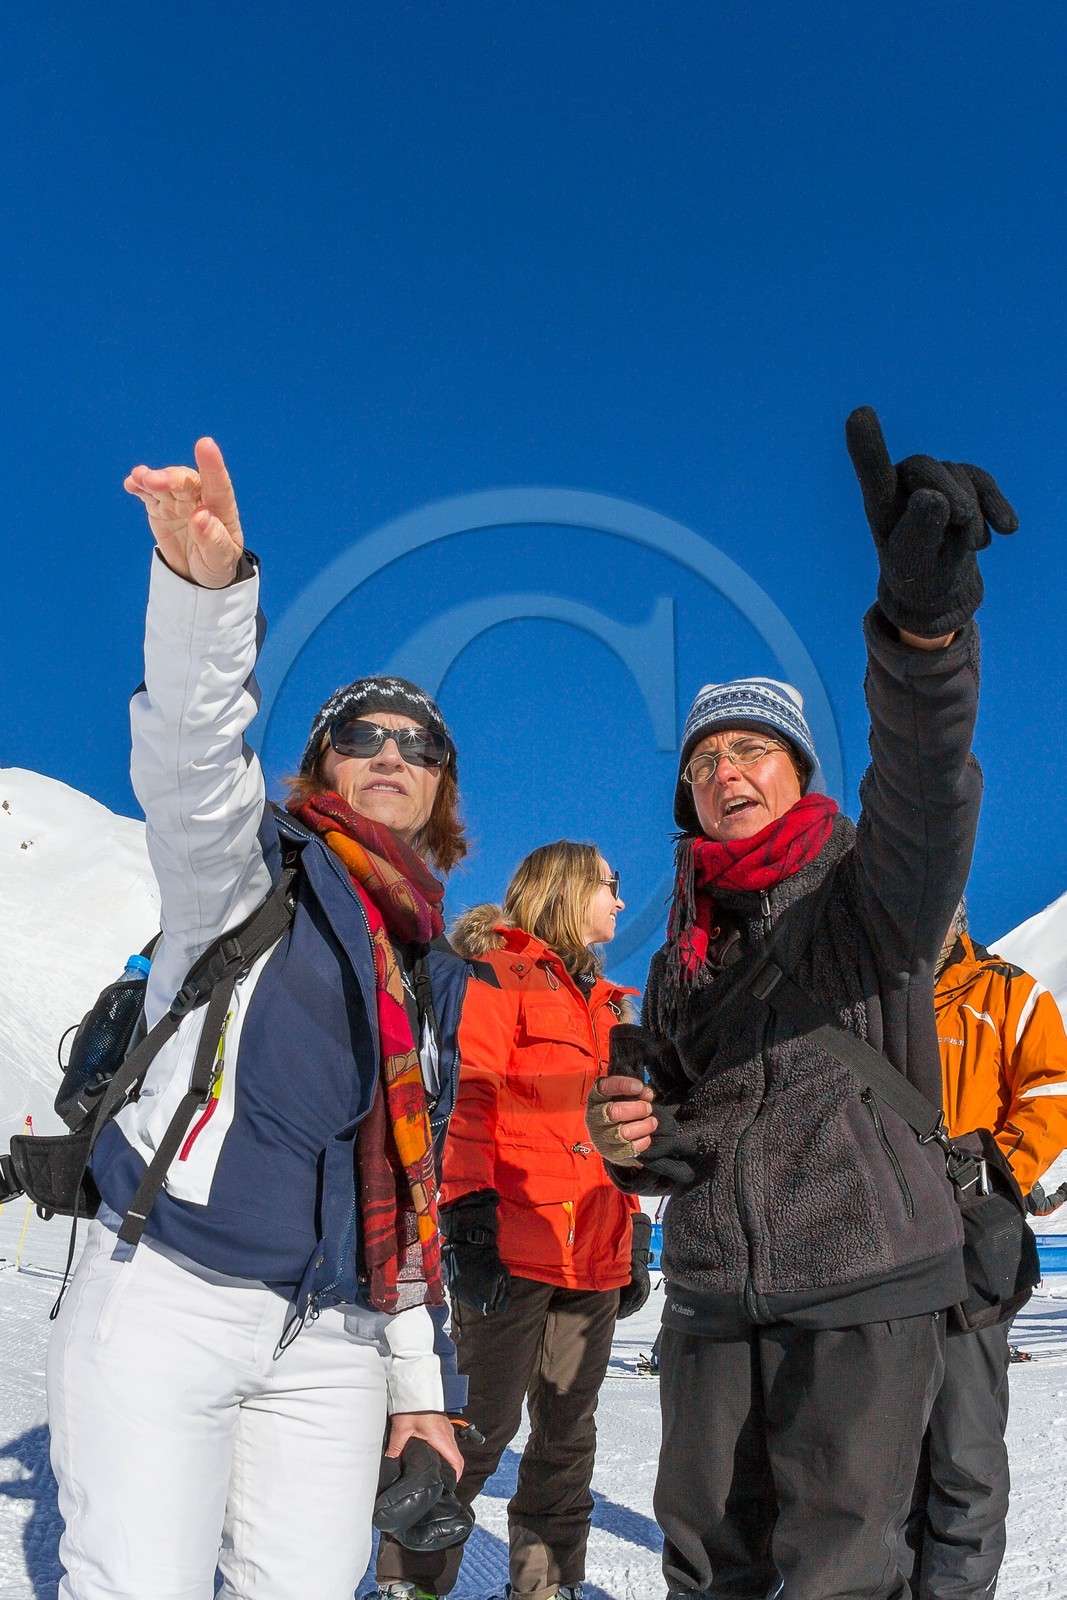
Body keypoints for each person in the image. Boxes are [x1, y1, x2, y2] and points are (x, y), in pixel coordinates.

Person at [584, 407, 1020, 1600]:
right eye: (703, 759)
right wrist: (629, 1135)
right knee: (704, 1563)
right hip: (715, 1295)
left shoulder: (868, 898)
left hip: (867, 1284)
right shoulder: (679, 954)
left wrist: (923, 639)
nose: (724, 770)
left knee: (839, 1569)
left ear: (796, 776)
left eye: (751, 752)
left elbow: (926, 785)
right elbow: (668, 1124)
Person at [46, 439, 470, 1600]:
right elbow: (188, 759)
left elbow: (415, 1185)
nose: (389, 751)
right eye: (361, 734)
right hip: (169, 1292)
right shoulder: (246, 869)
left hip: (330, 1336)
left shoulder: (431, 971)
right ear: (319, 766)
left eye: (417, 744)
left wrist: (421, 1395)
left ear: (439, 788)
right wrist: (203, 601)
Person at [375, 841, 651, 1600]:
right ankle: (411, 1582)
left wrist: (629, 1233)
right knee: (477, 1430)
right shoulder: (499, 975)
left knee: (567, 1440)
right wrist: (467, 1216)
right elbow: (473, 1095)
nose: (620, 902)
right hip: (514, 1238)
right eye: (609, 885)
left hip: (589, 1253)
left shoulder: (607, 1005)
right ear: (566, 890)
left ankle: (545, 1585)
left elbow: (612, 1136)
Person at [904, 901, 1067, 1599]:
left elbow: (1053, 1089)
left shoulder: (1006, 992)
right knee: (878, 1458)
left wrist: (994, 1173)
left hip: (971, 1249)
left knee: (962, 1451)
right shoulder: (866, 999)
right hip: (872, 1251)